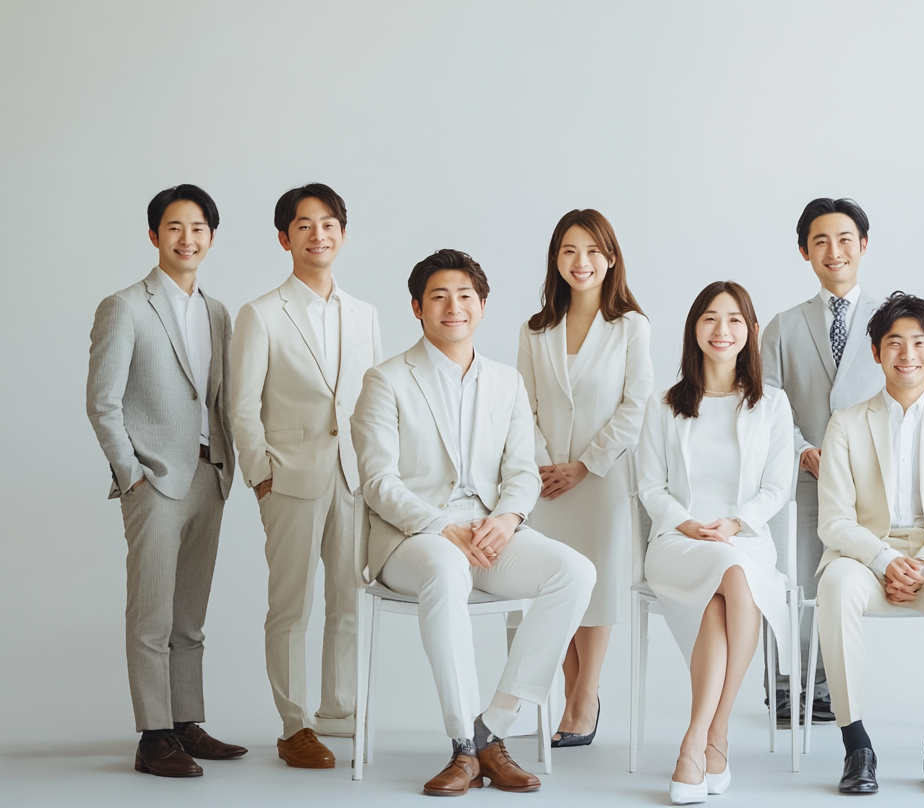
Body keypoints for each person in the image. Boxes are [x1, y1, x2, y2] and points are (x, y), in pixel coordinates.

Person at [351, 250, 595, 797]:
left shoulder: (506, 382)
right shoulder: (385, 380)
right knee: (445, 569)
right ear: (417, 308)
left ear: (482, 306)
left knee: (575, 573)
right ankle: (462, 747)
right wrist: (440, 525)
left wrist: (508, 518)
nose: (453, 306)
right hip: (414, 538)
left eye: (465, 296)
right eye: (438, 296)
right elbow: (377, 481)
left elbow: (523, 469)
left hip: (490, 531)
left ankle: (493, 729)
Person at [86, 184, 248, 777]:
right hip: (154, 480)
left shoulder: (218, 312)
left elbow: (222, 399)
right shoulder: (125, 306)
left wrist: (232, 467)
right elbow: (102, 403)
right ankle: (153, 736)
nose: (188, 238)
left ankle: (185, 722)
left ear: (211, 236)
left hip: (210, 474)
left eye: (199, 228)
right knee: (150, 614)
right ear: (154, 235)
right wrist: (132, 475)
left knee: (190, 614)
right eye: (176, 227)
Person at [231, 183, 383, 768]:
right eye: (304, 225)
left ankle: (338, 711)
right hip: (288, 479)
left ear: (342, 233)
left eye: (328, 224)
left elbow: (375, 402)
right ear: (284, 237)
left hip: (353, 479)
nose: (318, 234)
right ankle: (295, 726)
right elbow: (241, 405)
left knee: (349, 599)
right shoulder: (261, 313)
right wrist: (260, 474)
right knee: (290, 605)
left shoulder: (365, 314)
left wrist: (375, 470)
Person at [815, 292, 924, 795]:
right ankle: (856, 745)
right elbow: (834, 521)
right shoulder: (846, 423)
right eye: (894, 343)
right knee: (837, 588)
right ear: (876, 352)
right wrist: (887, 559)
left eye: (918, 342)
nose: (906, 354)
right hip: (863, 555)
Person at [638, 281, 795, 804]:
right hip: (677, 541)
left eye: (733, 320)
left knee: (729, 584)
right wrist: (685, 522)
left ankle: (701, 735)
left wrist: (735, 522)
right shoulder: (665, 405)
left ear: (750, 331)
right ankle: (712, 736)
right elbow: (650, 487)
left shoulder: (772, 405)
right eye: (709, 318)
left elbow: (777, 487)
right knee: (728, 575)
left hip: (742, 537)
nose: (721, 330)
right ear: (694, 330)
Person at [517, 208, 652, 747]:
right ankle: (576, 694)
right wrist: (544, 461)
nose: (582, 262)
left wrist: (584, 464)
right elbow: (519, 407)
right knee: (557, 586)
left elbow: (635, 404)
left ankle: (584, 696)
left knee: (600, 586)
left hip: (603, 480)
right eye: (570, 251)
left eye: (594, 251)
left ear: (611, 259)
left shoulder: (630, 327)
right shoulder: (535, 330)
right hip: (546, 481)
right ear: (556, 259)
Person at [761, 197, 884, 724]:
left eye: (844, 240)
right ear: (804, 252)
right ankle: (786, 688)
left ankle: (834, 687)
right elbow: (761, 404)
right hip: (797, 481)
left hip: (866, 487)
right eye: (820, 242)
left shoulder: (892, 321)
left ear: (863, 245)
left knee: (843, 586)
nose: (834, 252)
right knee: (788, 583)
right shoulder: (783, 326)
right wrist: (799, 447)